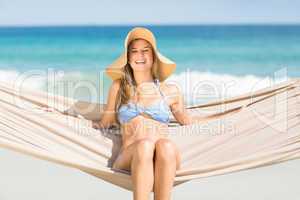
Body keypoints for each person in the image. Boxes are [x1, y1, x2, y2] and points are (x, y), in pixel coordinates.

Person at [93, 27, 204, 200]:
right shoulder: (118, 88)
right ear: (128, 58)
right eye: (134, 52)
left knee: (165, 145)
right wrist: (58, 115)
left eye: (146, 51)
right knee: (145, 145)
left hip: (164, 158)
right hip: (130, 157)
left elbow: (189, 121)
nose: (140, 56)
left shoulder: (170, 91)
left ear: (153, 57)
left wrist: (231, 114)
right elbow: (105, 122)